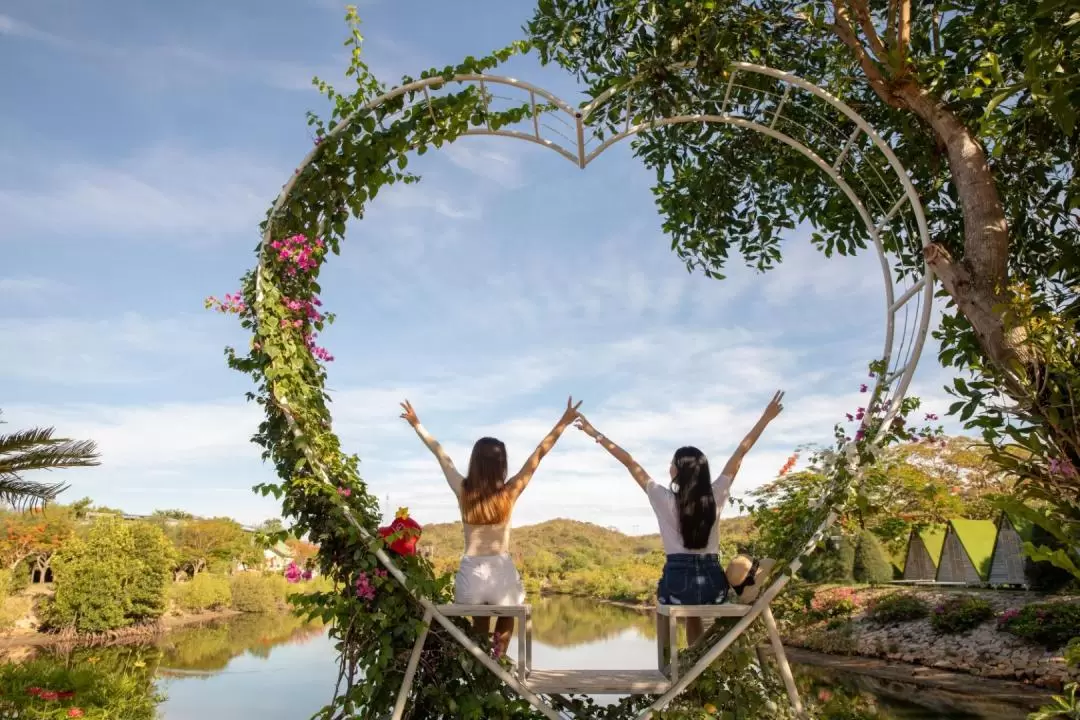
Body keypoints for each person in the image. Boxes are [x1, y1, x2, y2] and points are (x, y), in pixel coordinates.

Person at [573, 391, 785, 652]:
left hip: (677, 585)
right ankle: (698, 655)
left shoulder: (662, 498)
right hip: (712, 588)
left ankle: (667, 665)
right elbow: (741, 451)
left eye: (672, 463)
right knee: (705, 598)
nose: (669, 466)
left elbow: (630, 462)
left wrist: (594, 433)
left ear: (679, 470)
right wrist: (766, 417)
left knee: (665, 604)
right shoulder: (716, 494)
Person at [400, 396, 582, 656]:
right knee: (510, 610)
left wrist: (417, 424)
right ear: (502, 465)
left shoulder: (463, 490)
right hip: (501, 573)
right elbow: (538, 455)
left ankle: (481, 660)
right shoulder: (510, 492)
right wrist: (562, 423)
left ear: (474, 461)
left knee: (480, 616)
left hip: (470, 578)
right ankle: (498, 657)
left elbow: (441, 454)